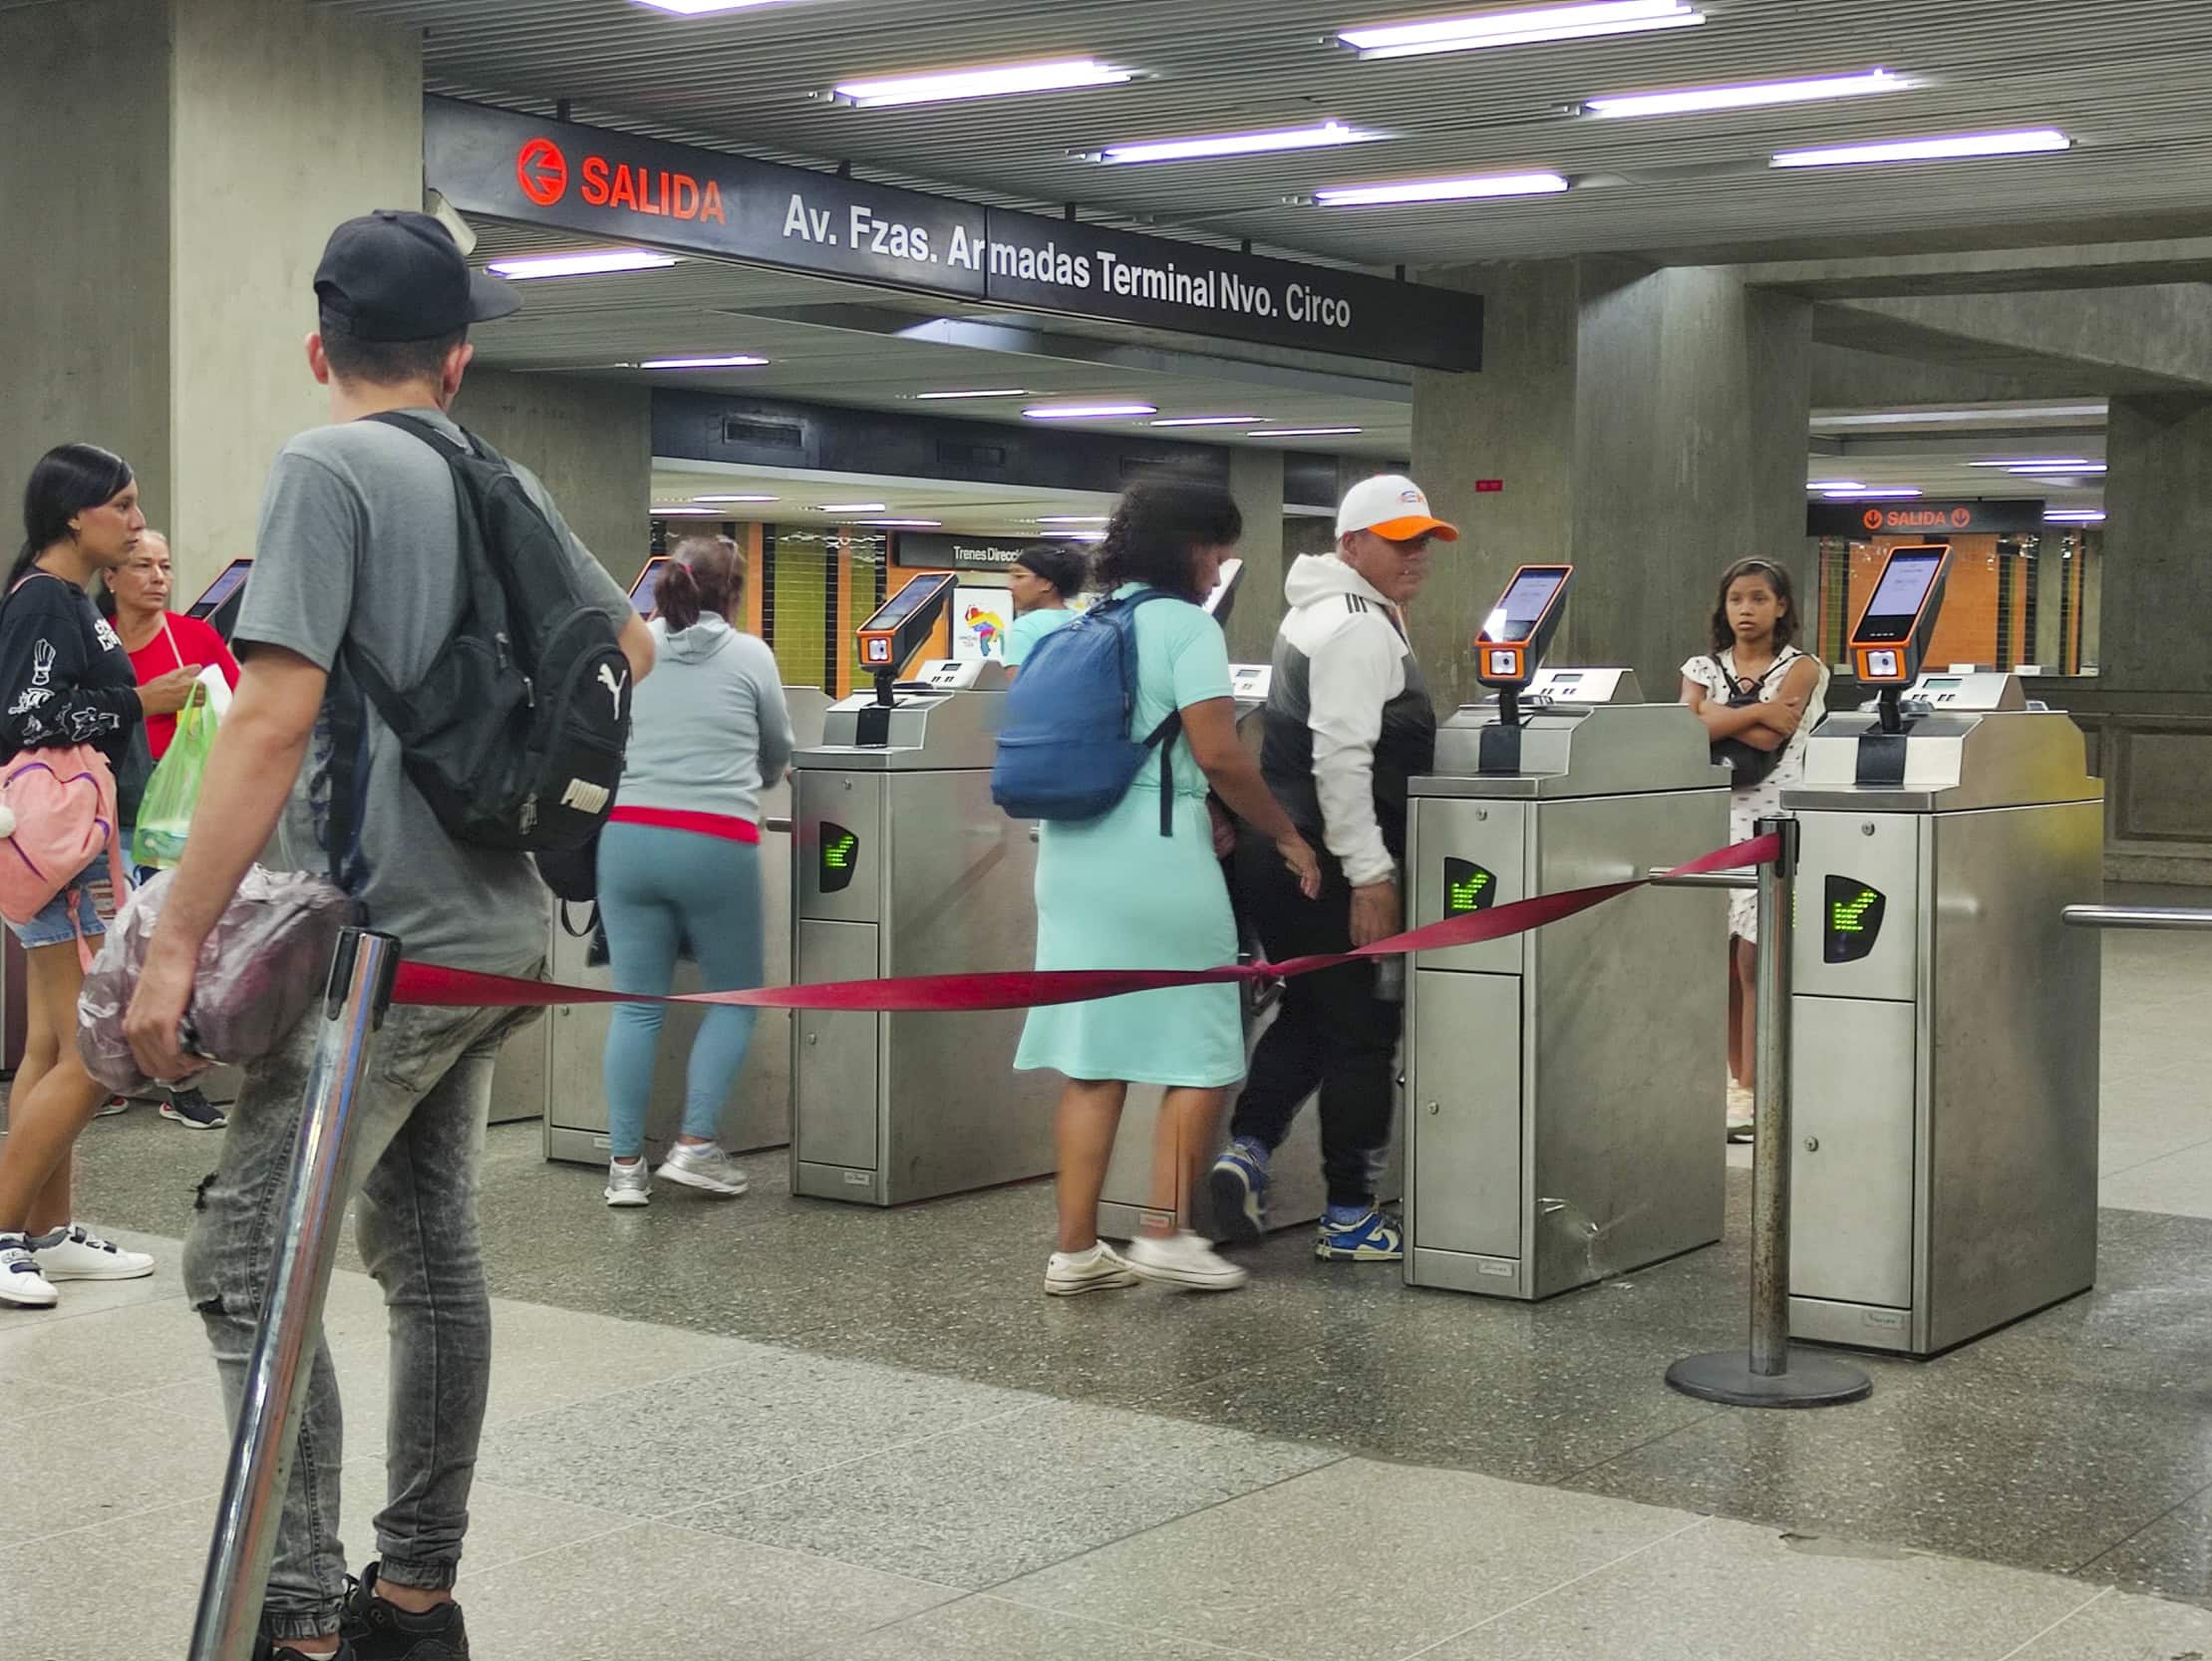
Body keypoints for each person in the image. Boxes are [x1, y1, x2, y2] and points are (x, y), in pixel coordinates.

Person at [120, 210, 653, 1661]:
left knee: (243, 1260)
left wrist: (172, 945)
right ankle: (415, 1601)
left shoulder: (325, 464)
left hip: (378, 951)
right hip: (494, 934)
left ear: (321, 350)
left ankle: (295, 1612)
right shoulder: (501, 475)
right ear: (457, 359)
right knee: (427, 1249)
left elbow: (271, 716)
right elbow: (631, 645)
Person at [1015, 481, 1320, 1297]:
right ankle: (1164, 1231)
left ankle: (1075, 1252)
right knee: (1204, 1048)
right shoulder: (1185, 626)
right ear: (1190, 548)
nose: (1219, 569)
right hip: (1154, 856)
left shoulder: (1085, 621)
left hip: (1071, 856)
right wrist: (1284, 834)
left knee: (1093, 1060)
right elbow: (1218, 753)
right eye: (1217, 552)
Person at [1207, 474, 1455, 1263]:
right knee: (1363, 1034)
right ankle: (1349, 1217)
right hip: (1327, 863)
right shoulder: (1356, 629)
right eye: (1398, 541)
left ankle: (1245, 1151)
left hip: (1279, 853)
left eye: (1423, 542)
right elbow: (1341, 761)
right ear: (1350, 544)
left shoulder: (1317, 611)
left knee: (1312, 1012)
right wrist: (1371, 876)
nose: (1416, 556)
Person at [0, 445, 178, 1309]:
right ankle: (6, 1232)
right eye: (124, 506)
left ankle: (48, 1232)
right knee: (89, 1050)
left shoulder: (67, 599)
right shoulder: (43, 599)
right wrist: (143, 700)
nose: (138, 524)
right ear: (76, 515)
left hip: (68, 843)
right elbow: (27, 715)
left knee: (53, 1045)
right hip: (60, 847)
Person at [599, 533, 791, 1207]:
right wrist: (760, 777)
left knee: (635, 1006)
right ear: (733, 592)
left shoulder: (632, 649)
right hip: (714, 840)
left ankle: (625, 1168)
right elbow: (776, 749)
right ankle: (695, 1146)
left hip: (625, 838)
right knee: (734, 998)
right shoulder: (750, 654)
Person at [98, 528, 242, 1129]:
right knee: (110, 949)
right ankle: (102, 1075)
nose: (158, 578)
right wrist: (146, 700)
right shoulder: (95, 640)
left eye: (165, 566)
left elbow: (240, 708)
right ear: (110, 577)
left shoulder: (194, 637)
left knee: (179, 943)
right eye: (142, 566)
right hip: (110, 812)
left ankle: (181, 1084)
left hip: (179, 814)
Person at [1680, 557, 1826, 1142]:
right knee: (1718, 958)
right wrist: (1762, 707)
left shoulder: (1804, 667)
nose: (1747, 610)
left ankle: (1756, 1084)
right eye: (1737, 599)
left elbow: (1771, 737)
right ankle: (1732, 1079)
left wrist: (1719, 716)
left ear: (1782, 606)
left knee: (1755, 958)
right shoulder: (1701, 667)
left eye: (1760, 599)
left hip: (1774, 820)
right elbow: (1685, 729)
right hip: (1713, 819)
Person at [1002, 539, 1089, 676]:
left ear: (1047, 583)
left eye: (1019, 576)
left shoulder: (1027, 627)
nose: (1009, 585)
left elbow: (1020, 684)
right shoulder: (1085, 621)